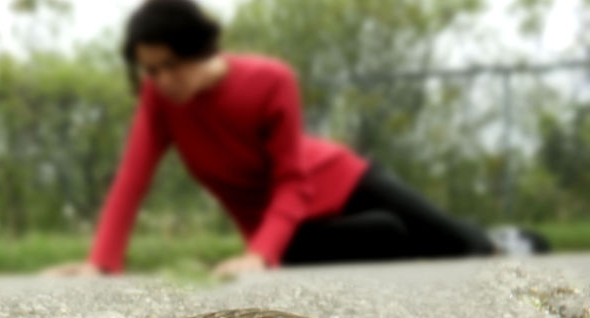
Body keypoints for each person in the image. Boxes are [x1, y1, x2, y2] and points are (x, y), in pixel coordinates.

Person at [49, 0, 543, 277]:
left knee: (463, 246)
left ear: (199, 50)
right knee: (388, 236)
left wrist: (256, 256)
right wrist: (100, 263)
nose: (159, 80)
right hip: (284, 231)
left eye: (169, 66)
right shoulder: (160, 100)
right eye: (148, 70)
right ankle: (443, 239)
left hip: (335, 178)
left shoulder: (269, 81)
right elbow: (131, 180)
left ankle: (497, 243)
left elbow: (292, 179)